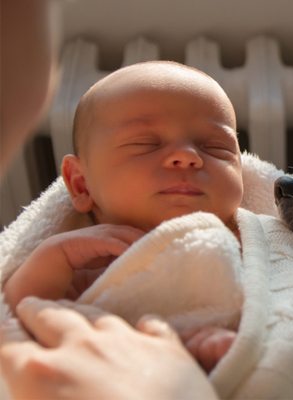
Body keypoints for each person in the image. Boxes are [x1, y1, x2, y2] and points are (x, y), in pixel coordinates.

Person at [0, 2, 221, 397]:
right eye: (144, 143)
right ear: (81, 185)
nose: (188, 156)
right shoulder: (91, 263)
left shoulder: (252, 241)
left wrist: (229, 342)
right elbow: (23, 316)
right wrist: (54, 257)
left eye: (216, 146)